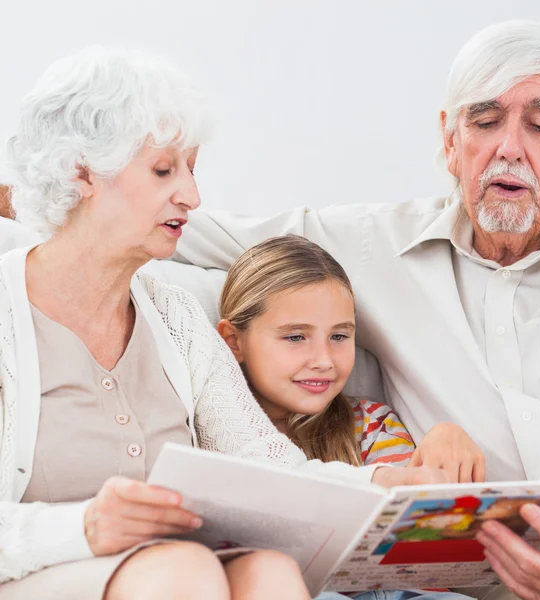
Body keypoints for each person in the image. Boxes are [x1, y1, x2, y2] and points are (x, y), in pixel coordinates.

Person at [169, 19, 540, 599]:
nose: (509, 148)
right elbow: (176, 227)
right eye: (485, 121)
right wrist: (48, 194)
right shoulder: (376, 246)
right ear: (450, 142)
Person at [0, 47, 448, 600]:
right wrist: (84, 526)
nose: (192, 195)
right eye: (164, 169)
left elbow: (266, 466)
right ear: (82, 171)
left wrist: (380, 483)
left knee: (269, 570)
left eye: (191, 169)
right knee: (182, 573)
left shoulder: (176, 316)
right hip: (38, 574)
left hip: (176, 569)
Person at [217, 234, 479, 600]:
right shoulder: (212, 436)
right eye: (295, 338)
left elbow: (423, 552)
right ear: (233, 341)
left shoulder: (371, 425)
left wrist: (446, 437)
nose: (324, 360)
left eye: (339, 336)